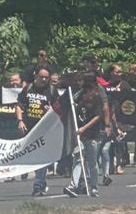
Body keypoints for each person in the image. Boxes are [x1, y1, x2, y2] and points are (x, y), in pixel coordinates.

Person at [64, 62, 107, 197]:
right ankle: (73, 185)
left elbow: (98, 115)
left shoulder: (96, 96)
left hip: (92, 133)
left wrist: (84, 128)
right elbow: (72, 104)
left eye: (82, 80)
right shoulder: (79, 95)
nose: (79, 83)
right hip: (80, 134)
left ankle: (94, 187)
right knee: (78, 157)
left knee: (92, 162)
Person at [21, 67, 55, 195]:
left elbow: (58, 108)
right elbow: (19, 105)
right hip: (29, 127)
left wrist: (51, 110)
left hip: (45, 128)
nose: (44, 79)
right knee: (33, 156)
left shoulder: (51, 90)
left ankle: (38, 183)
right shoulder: (28, 89)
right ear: (36, 76)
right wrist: (20, 120)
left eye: (46, 77)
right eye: (42, 77)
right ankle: (41, 180)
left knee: (41, 155)